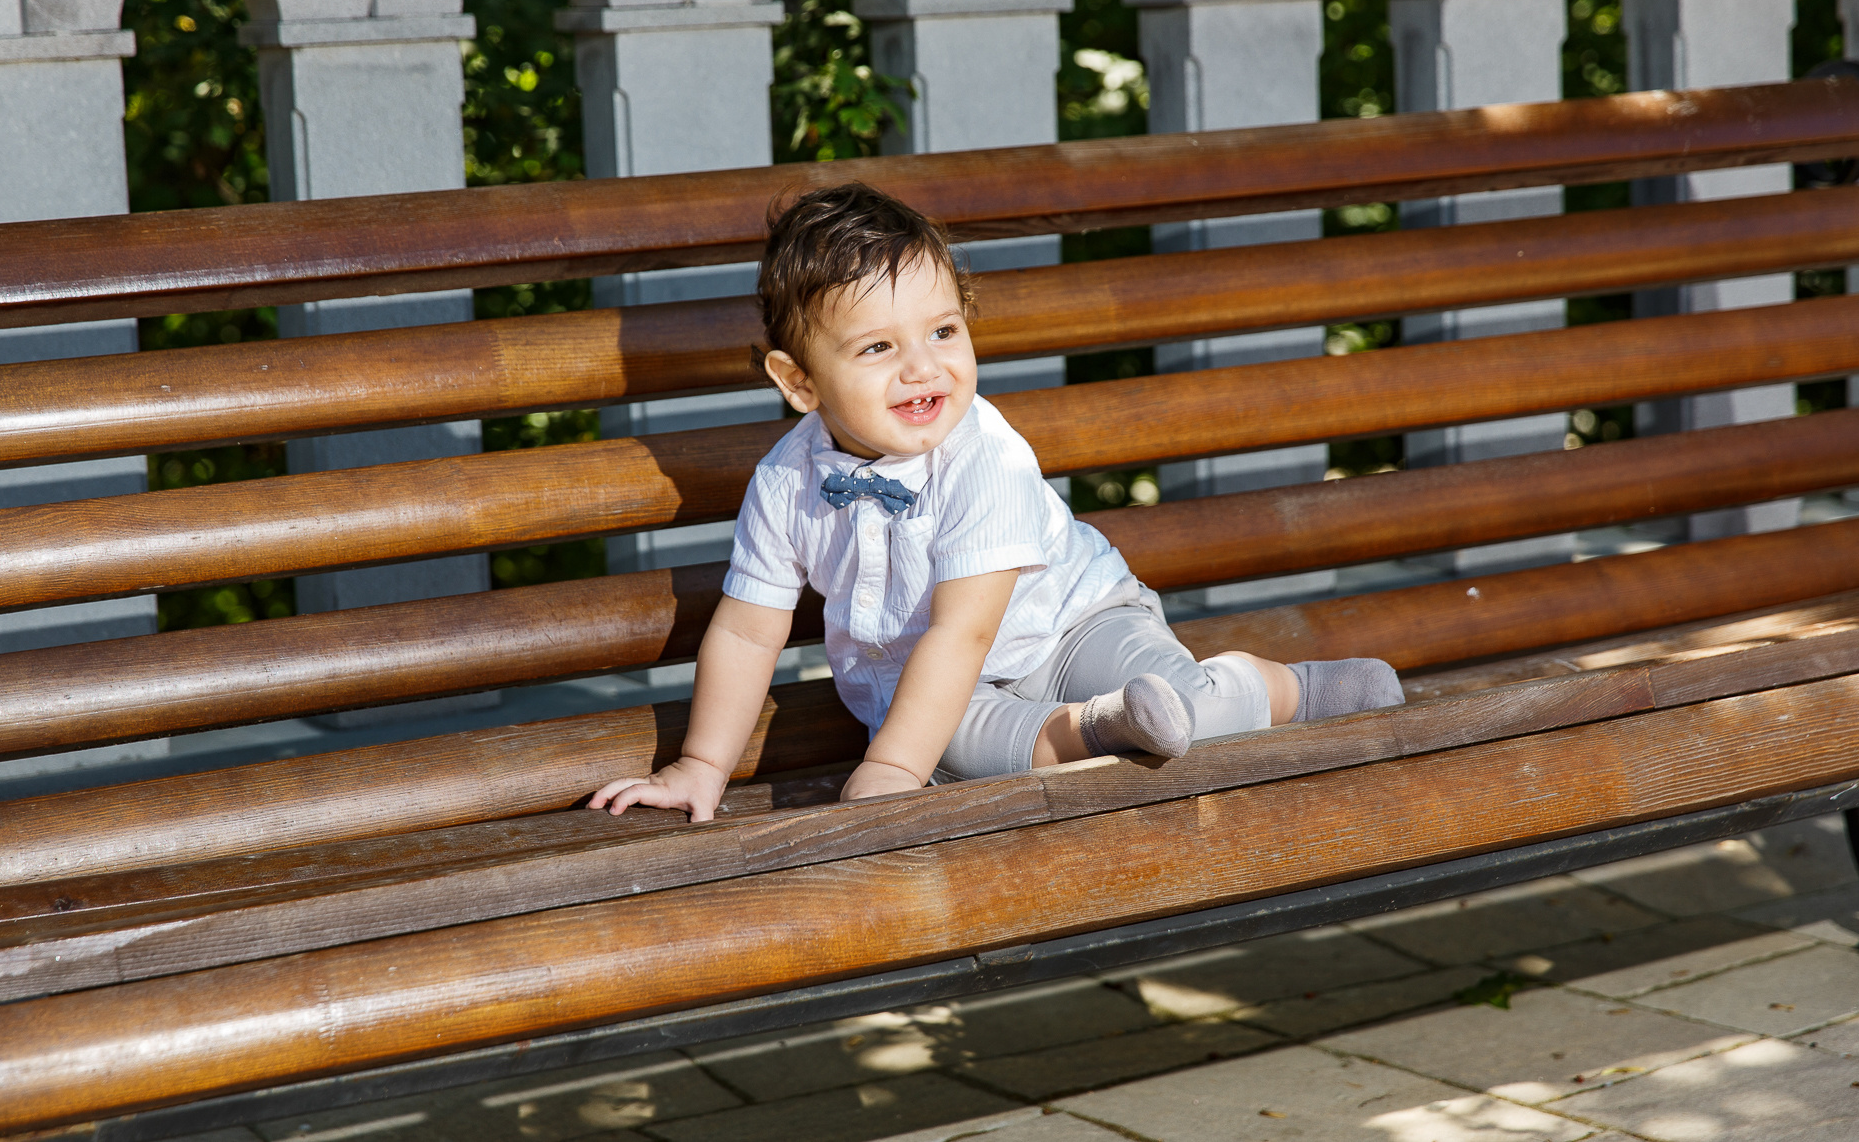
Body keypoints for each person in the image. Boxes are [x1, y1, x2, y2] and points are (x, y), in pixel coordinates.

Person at [589, 183, 1402, 822]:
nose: (923, 368)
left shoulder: (986, 455)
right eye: (878, 348)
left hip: (1078, 621)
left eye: (943, 332)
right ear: (798, 382)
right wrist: (700, 766)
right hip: (940, 683)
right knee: (971, 743)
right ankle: (1102, 729)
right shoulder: (784, 483)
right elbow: (746, 628)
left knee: (1170, 692)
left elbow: (965, 627)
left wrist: (893, 769)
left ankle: (1276, 687)